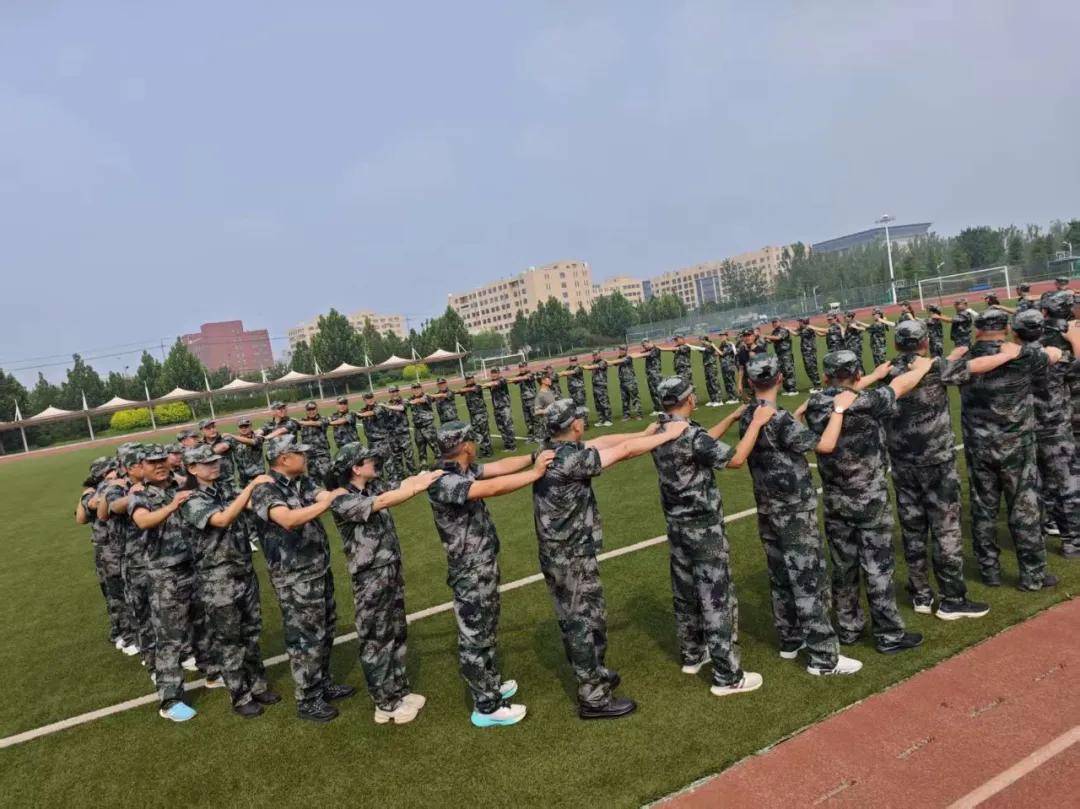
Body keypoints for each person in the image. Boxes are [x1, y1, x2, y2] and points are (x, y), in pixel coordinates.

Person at [532, 399, 687, 719]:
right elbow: (624, 451)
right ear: (575, 424)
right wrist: (668, 435)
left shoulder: (551, 450)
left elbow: (604, 442)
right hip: (570, 556)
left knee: (590, 618)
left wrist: (645, 433)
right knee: (581, 623)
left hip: (567, 553)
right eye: (580, 419)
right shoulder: (572, 460)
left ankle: (595, 673)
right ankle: (593, 698)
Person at [803, 350, 933, 654]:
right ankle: (888, 634)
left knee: (843, 566)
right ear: (858, 374)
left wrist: (869, 378)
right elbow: (900, 386)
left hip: (835, 499)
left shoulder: (816, 405)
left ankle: (849, 627)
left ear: (825, 376)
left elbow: (841, 395)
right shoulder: (870, 402)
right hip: (869, 499)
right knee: (878, 566)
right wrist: (924, 367)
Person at [738, 356, 861, 676]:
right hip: (793, 510)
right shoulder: (779, 418)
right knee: (808, 579)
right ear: (780, 378)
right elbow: (826, 445)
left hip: (768, 507)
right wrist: (839, 410)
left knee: (781, 575)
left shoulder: (750, 414)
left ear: (750, 382)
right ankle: (823, 657)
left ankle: (790, 639)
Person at [648, 376, 770, 695]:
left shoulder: (659, 430)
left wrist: (730, 418)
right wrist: (756, 424)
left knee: (685, 592)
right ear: (688, 399)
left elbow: (701, 445)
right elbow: (736, 459)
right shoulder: (690, 435)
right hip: (704, 529)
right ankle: (727, 676)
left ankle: (693, 655)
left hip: (677, 526)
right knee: (717, 597)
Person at [427, 421, 554, 727]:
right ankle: (486, 707)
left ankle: (490, 684)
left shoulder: (461, 469)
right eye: (472, 440)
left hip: (481, 564)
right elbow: (491, 487)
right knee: (475, 636)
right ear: (465, 446)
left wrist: (532, 457)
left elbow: (497, 468)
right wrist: (535, 473)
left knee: (486, 628)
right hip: (469, 569)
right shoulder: (444, 480)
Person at [886, 319, 1003, 619]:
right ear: (925, 342)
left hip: (902, 464)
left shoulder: (888, 371)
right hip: (936, 463)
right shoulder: (936, 368)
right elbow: (976, 367)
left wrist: (950, 357)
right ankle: (952, 598)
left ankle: (921, 595)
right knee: (946, 529)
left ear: (897, 344)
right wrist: (1008, 354)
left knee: (913, 530)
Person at [328, 443, 443, 724]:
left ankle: (398, 691)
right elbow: (383, 502)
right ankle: (385, 703)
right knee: (376, 639)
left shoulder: (370, 487)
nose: (375, 464)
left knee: (396, 631)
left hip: (390, 569)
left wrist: (424, 477)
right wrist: (415, 488)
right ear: (356, 468)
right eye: (369, 460)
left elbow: (400, 486)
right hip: (370, 577)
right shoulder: (342, 499)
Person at [250, 435, 355, 722]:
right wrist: (330, 501)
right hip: (294, 577)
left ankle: (322, 683)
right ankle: (308, 699)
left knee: (325, 629)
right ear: (284, 459)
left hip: (317, 568)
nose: (305, 457)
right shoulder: (265, 490)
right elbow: (288, 519)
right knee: (305, 638)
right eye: (300, 454)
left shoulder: (302, 482)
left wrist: (332, 497)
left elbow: (322, 495)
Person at [960, 308, 1060, 590]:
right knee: (1024, 509)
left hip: (979, 447)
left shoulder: (967, 359)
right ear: (1006, 329)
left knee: (983, 510)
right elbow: (1054, 355)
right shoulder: (1022, 356)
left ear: (977, 330)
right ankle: (1033, 575)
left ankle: (989, 571)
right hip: (1016, 447)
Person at [178, 446, 279, 718]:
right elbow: (222, 519)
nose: (214, 465)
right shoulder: (190, 499)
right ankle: (240, 695)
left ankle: (258, 686)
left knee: (251, 631)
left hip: (243, 570)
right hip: (217, 578)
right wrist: (251, 486)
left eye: (215, 461)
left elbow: (249, 505)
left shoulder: (224, 489)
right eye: (206, 463)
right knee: (229, 638)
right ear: (192, 468)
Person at [128, 444, 198, 721]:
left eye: (162, 460)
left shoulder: (178, 486)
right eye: (151, 462)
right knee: (170, 636)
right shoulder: (139, 495)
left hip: (192, 565)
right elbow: (144, 521)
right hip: (164, 574)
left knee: (203, 626)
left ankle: (213, 673)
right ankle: (170, 699)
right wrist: (172, 505)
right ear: (141, 467)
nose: (159, 465)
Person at [1014, 305, 1080, 560]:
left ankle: (1042, 531)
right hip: (1055, 431)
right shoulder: (1055, 357)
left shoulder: (1011, 359)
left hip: (1025, 431)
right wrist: (1074, 339)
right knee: (1067, 487)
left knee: (1036, 486)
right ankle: (1073, 542)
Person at [77, 457, 131, 651]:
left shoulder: (110, 487)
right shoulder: (95, 492)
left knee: (120, 591)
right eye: (112, 471)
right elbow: (88, 509)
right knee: (115, 593)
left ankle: (121, 632)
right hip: (107, 549)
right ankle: (123, 634)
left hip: (116, 546)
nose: (117, 473)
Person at [382, 387, 417, 483]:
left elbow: (402, 408)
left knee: (409, 456)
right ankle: (401, 476)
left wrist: (388, 407)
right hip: (392, 436)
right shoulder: (386, 403)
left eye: (396, 391)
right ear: (389, 393)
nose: (394, 394)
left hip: (404, 435)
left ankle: (412, 475)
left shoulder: (404, 401)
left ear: (398, 392)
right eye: (392, 392)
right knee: (397, 458)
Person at [457, 373, 494, 458]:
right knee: (477, 433)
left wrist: (464, 390)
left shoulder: (477, 387)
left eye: (470, 379)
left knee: (484, 432)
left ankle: (488, 451)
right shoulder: (465, 388)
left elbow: (472, 389)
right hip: (473, 415)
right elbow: (459, 391)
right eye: (467, 379)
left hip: (481, 414)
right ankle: (483, 450)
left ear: (473, 379)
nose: (469, 380)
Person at [480, 367, 517, 451]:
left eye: (495, 373)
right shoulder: (491, 382)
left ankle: (513, 446)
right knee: (501, 427)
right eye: (492, 373)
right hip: (496, 408)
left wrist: (484, 385)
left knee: (508, 426)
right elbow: (488, 385)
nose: (493, 374)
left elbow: (495, 383)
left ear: (499, 373)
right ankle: (507, 445)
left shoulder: (502, 380)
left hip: (504, 408)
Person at [297, 402, 333, 484]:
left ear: (317, 409)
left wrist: (301, 423)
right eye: (309, 410)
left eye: (313, 409)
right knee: (314, 485)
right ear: (306, 411)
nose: (311, 411)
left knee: (330, 482)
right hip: (309, 458)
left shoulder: (323, 419)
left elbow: (318, 423)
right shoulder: (302, 421)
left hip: (322, 457)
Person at [406, 382, 439, 468]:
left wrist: (414, 401)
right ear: (411, 390)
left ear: (421, 389)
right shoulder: (410, 399)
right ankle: (423, 465)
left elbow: (422, 400)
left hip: (428, 427)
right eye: (414, 389)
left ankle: (440, 462)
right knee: (421, 448)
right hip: (418, 428)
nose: (416, 390)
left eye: (418, 388)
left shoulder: (426, 396)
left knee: (435, 446)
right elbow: (404, 404)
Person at [763, 318, 798, 395]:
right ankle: (787, 389)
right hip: (779, 354)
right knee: (782, 372)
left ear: (780, 322)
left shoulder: (783, 330)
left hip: (786, 354)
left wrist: (766, 336)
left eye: (776, 322)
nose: (774, 324)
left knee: (788, 370)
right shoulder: (774, 331)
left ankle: (793, 389)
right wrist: (764, 339)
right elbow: (771, 340)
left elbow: (778, 338)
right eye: (773, 322)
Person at [509, 362, 540, 442]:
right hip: (524, 401)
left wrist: (517, 378)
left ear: (526, 367)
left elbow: (525, 378)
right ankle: (531, 436)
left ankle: (538, 435)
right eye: (520, 367)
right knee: (527, 419)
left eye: (523, 367)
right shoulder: (519, 376)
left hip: (532, 400)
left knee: (535, 418)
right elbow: (514, 381)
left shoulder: (530, 374)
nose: (521, 369)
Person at [230, 417, 266, 485]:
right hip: (243, 478)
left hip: (257, 476)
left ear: (251, 426)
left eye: (246, 426)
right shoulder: (234, 441)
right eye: (241, 427)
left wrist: (231, 436)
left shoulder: (258, 437)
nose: (243, 429)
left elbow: (252, 442)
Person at [582, 350, 613, 426]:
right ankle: (601, 420)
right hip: (595, 386)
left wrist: (587, 366)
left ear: (599, 354)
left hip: (601, 386)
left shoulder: (603, 362)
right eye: (593, 355)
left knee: (604, 403)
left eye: (596, 355)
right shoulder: (593, 362)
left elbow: (594, 366)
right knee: (598, 404)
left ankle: (608, 419)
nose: (595, 356)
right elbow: (589, 367)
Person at [734, 328, 767, 399]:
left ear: (754, 337)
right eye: (745, 336)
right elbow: (741, 369)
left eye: (749, 335)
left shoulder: (761, 350)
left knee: (762, 404)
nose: (747, 338)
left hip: (759, 384)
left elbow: (766, 369)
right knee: (747, 404)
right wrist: (739, 384)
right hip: (747, 385)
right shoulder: (742, 352)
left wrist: (755, 358)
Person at [612, 346, 643, 420]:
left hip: (630, 381)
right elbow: (615, 364)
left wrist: (609, 362)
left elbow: (619, 361)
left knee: (635, 399)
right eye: (620, 350)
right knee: (624, 400)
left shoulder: (628, 357)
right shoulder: (619, 357)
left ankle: (639, 414)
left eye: (622, 350)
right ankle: (626, 415)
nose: (620, 351)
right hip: (622, 382)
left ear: (625, 351)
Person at [559, 357, 589, 427]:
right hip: (572, 392)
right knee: (574, 408)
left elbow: (572, 372)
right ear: (569, 361)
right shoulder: (568, 368)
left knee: (581, 408)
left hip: (579, 391)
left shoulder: (579, 367)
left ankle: (585, 423)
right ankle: (578, 423)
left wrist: (562, 373)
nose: (573, 362)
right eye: (572, 361)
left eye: (575, 360)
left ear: (577, 361)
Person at [532, 367, 558, 442]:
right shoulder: (540, 395)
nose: (550, 379)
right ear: (543, 381)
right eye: (548, 378)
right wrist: (547, 410)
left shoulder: (549, 390)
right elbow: (536, 411)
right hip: (548, 426)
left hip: (555, 422)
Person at [697, 334, 724, 407]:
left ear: (705, 339)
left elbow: (706, 349)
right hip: (706, 366)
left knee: (714, 382)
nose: (700, 341)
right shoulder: (704, 346)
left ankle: (719, 400)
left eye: (701, 340)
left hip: (711, 366)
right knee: (708, 383)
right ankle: (713, 400)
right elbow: (700, 350)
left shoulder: (710, 345)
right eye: (700, 340)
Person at [716, 331, 741, 403]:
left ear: (726, 336)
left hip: (729, 365)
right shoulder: (722, 345)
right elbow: (717, 353)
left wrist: (713, 346)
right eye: (720, 336)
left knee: (730, 381)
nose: (721, 337)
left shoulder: (728, 344)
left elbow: (722, 354)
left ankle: (734, 398)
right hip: (724, 365)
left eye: (723, 336)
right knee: (727, 382)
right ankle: (731, 397)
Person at [641, 338, 664, 415]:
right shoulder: (648, 350)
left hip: (655, 374)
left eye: (644, 345)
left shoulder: (655, 349)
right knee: (653, 392)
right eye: (643, 346)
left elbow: (646, 354)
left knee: (658, 392)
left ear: (649, 342)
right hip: (650, 375)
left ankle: (662, 409)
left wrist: (637, 355)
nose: (644, 347)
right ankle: (657, 408)